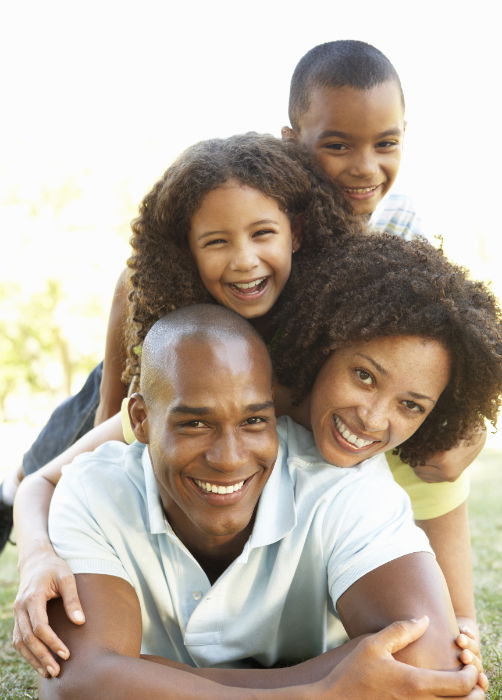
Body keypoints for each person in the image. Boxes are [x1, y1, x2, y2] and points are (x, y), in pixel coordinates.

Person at [37, 305, 485, 700]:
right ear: (141, 419)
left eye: (254, 420)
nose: (229, 458)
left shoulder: (343, 486)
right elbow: (77, 683)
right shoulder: (93, 490)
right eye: (195, 423)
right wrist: (319, 691)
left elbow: (427, 670)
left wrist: (137, 676)